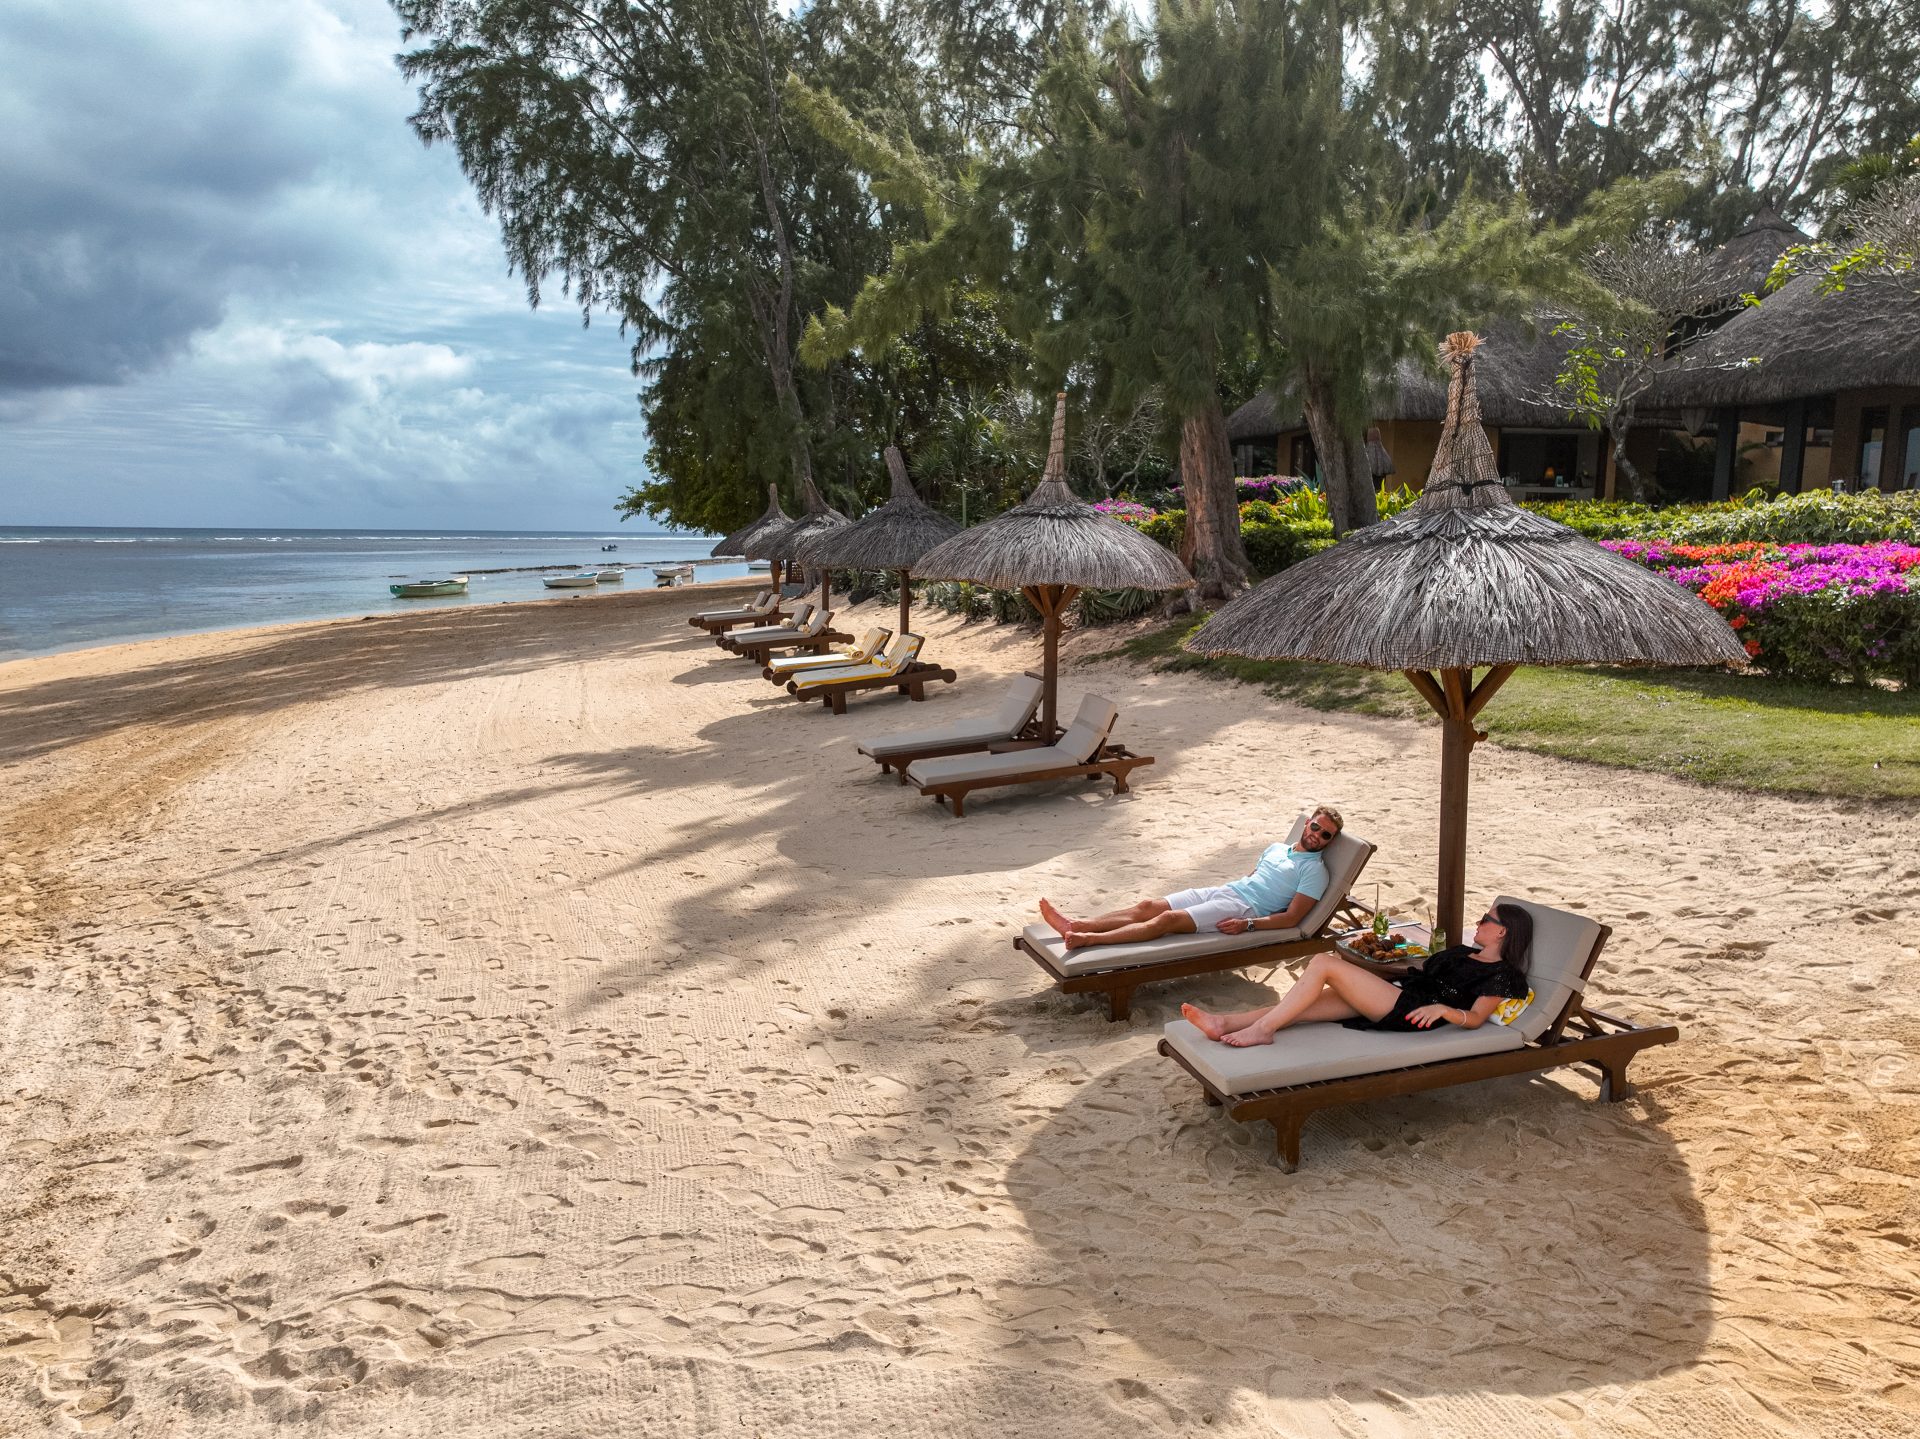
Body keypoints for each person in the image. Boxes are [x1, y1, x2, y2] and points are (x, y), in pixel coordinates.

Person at [1181, 902, 1534, 1048]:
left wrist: (1444, 1010)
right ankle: (1224, 1023)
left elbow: (1476, 1018)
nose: (1478, 922)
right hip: (1400, 992)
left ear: (1502, 932)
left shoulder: (1502, 975)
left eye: (1486, 919)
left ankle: (1263, 1030)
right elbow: (1419, 970)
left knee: (1324, 963)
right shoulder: (1462, 952)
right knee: (1303, 1005)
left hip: (1413, 1011)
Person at [1038, 808, 1343, 951]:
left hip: (1245, 910)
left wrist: (1248, 924)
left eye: (1326, 835)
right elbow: (1254, 877)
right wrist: (1226, 892)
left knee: (1166, 920)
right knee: (1148, 906)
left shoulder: (1315, 871)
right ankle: (1077, 924)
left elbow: (1292, 918)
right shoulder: (1276, 848)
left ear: (1330, 841)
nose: (1317, 835)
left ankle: (1089, 939)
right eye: (1316, 827)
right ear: (1307, 823)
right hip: (1228, 891)